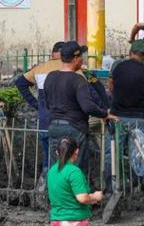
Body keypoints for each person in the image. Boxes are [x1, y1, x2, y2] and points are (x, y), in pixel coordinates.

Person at [44, 41, 116, 178]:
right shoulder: (78, 80)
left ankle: (56, 198)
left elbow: (48, 103)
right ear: (75, 58)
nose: (83, 60)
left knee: (57, 168)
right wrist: (104, 114)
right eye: (82, 57)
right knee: (76, 171)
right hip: (74, 129)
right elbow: (88, 106)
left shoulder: (50, 77)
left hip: (54, 127)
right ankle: (78, 197)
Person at [107, 40, 144, 184]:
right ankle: (138, 185)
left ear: (130, 52)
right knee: (138, 153)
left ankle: (114, 185)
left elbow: (110, 86)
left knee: (113, 152)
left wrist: (119, 97)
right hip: (139, 118)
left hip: (117, 116)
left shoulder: (117, 65)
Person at [14, 41, 65, 180]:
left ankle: (43, 186)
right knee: (64, 159)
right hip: (65, 123)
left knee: (47, 154)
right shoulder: (72, 68)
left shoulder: (40, 68)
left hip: (44, 120)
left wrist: (36, 104)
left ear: (52, 54)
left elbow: (20, 83)